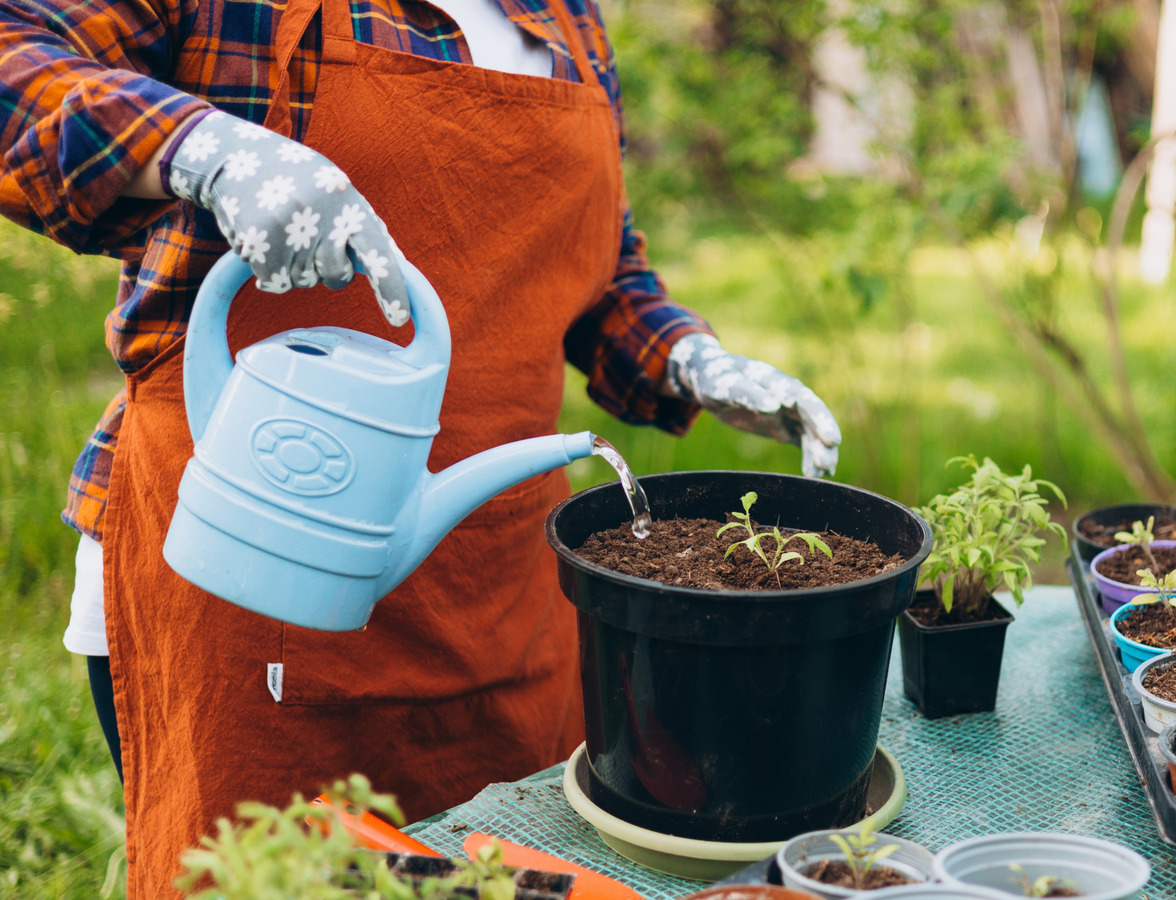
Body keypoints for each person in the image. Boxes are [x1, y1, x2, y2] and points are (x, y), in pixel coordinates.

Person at [0, 0, 841, 895]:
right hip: (253, 572)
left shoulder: (568, 17)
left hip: (503, 596)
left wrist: (684, 357)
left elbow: (591, 261)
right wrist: (210, 149)